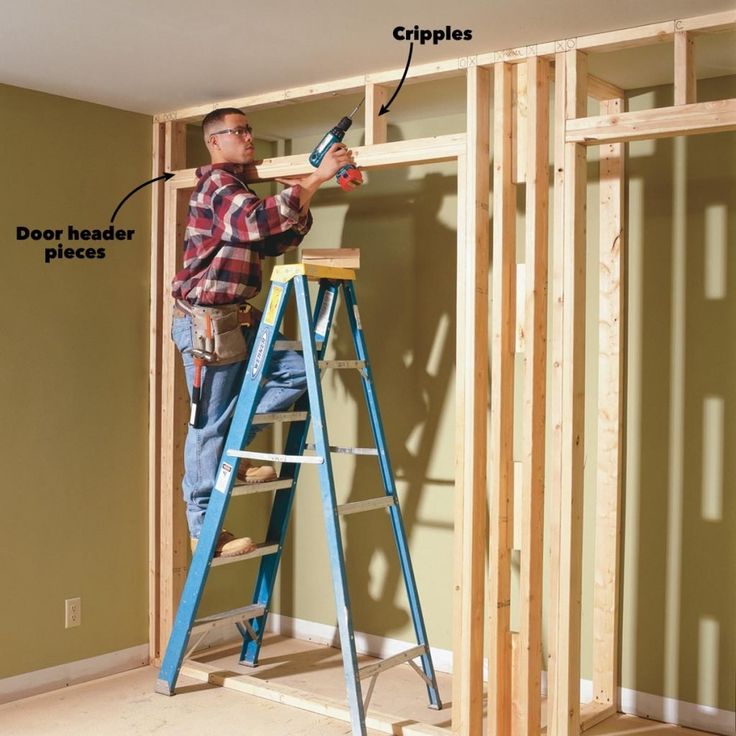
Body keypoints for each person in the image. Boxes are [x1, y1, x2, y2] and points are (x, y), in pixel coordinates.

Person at [171, 107, 355, 557]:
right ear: (215, 141)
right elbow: (255, 222)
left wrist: (306, 192)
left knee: (298, 369)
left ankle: (232, 452)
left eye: (250, 130)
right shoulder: (217, 184)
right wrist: (315, 178)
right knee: (207, 426)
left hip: (239, 318)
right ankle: (204, 531)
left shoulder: (240, 193)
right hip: (206, 324)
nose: (249, 137)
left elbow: (274, 239)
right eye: (239, 131)